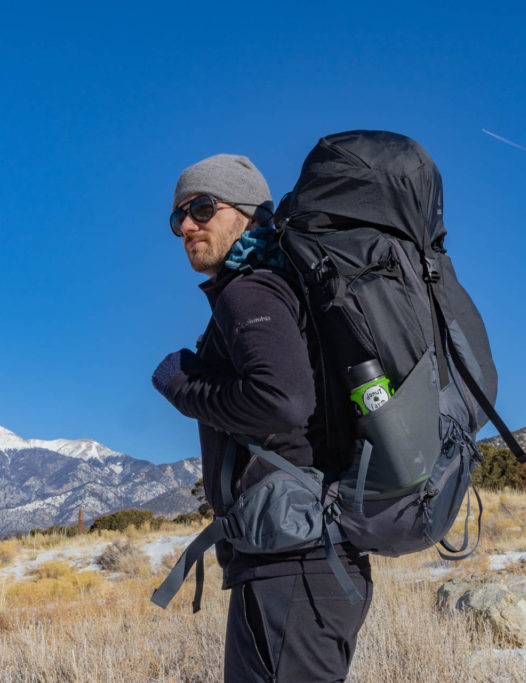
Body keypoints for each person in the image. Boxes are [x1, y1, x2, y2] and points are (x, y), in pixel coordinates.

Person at [152, 153, 372, 682]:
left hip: (292, 563)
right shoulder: (283, 287)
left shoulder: (251, 290)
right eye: (178, 215)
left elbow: (281, 401)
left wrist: (183, 386)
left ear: (246, 212)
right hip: (297, 557)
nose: (186, 225)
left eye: (202, 208)